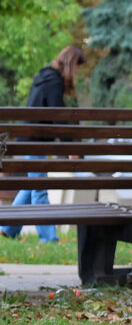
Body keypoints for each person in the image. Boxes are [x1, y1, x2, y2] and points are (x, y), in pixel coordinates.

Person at [5, 44, 85, 244]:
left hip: (29, 138)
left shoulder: (45, 77)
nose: (77, 73)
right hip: (36, 141)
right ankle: (49, 238)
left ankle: (7, 228)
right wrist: (70, 148)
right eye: (77, 68)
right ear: (71, 63)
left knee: (32, 185)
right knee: (40, 187)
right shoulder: (54, 82)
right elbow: (58, 118)